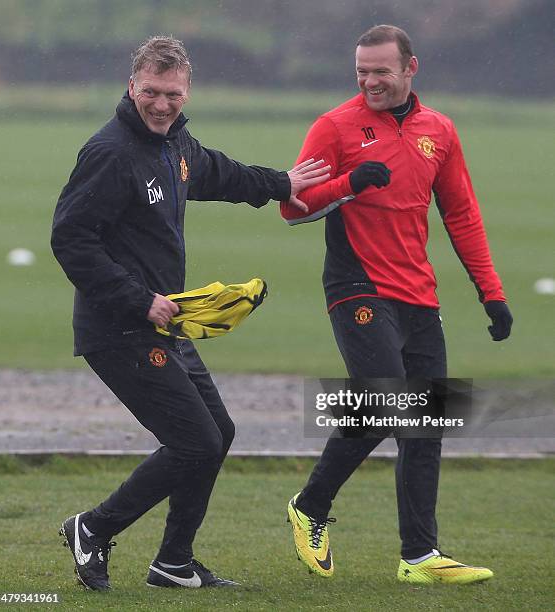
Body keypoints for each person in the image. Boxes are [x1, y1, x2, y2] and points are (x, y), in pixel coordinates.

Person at [51, 35, 329, 591]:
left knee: (217, 432)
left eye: (172, 93)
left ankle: (173, 562)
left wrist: (282, 184)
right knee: (195, 441)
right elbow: (71, 239)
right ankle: (93, 527)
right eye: (151, 91)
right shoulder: (110, 153)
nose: (161, 103)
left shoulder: (174, 145)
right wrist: (138, 298)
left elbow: (217, 173)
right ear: (132, 87)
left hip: (164, 325)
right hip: (120, 327)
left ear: (186, 91)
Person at [281, 25, 513, 585]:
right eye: (361, 71)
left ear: (411, 68)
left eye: (380, 71)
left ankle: (420, 558)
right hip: (357, 287)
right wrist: (349, 184)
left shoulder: (441, 130)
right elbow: (292, 208)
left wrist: (492, 291)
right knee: (385, 400)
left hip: (419, 296)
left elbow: (462, 215)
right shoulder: (334, 127)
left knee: (426, 423)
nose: (369, 81)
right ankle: (311, 506)